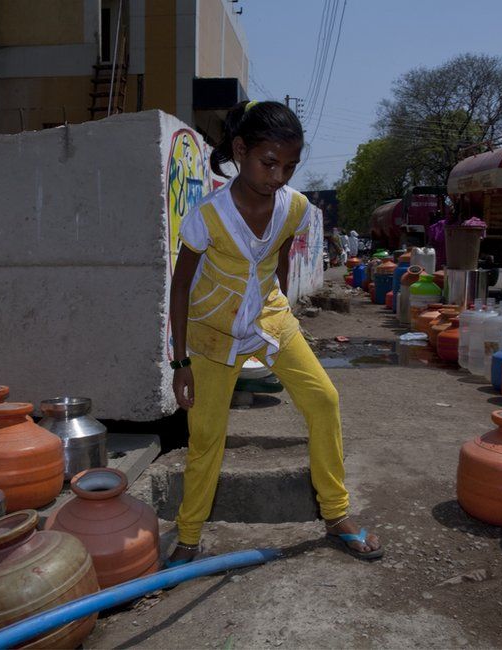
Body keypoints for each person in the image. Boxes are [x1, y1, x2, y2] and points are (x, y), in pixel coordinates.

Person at [167, 100, 383, 565]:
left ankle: (336, 515)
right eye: (269, 163)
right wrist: (179, 361)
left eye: (289, 166)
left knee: (324, 400)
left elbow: (280, 258)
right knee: (206, 436)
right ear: (241, 150)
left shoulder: (296, 207)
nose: (278, 176)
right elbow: (180, 284)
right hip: (212, 332)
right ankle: (188, 538)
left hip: (271, 318)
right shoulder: (208, 216)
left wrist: (283, 318)